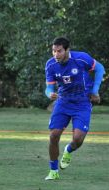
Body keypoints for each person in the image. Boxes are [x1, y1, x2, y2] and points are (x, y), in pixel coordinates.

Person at [44, 37, 105, 180]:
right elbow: (48, 88)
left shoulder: (81, 58)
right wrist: (49, 94)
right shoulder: (50, 65)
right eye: (54, 51)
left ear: (67, 50)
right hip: (63, 102)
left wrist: (95, 90)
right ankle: (53, 171)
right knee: (54, 135)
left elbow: (100, 68)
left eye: (59, 51)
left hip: (82, 103)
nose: (56, 54)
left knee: (77, 139)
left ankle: (68, 150)